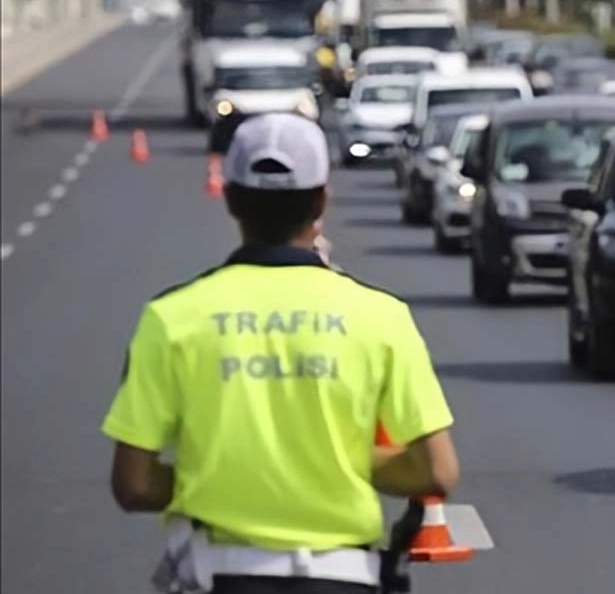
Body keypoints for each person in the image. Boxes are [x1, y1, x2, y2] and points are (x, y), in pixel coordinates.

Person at [102, 113, 460, 594]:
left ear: (230, 198)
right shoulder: (382, 317)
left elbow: (134, 484)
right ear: (321, 201)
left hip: (220, 577)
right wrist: (340, 459)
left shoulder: (171, 318)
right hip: (344, 578)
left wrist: (216, 474)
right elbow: (436, 470)